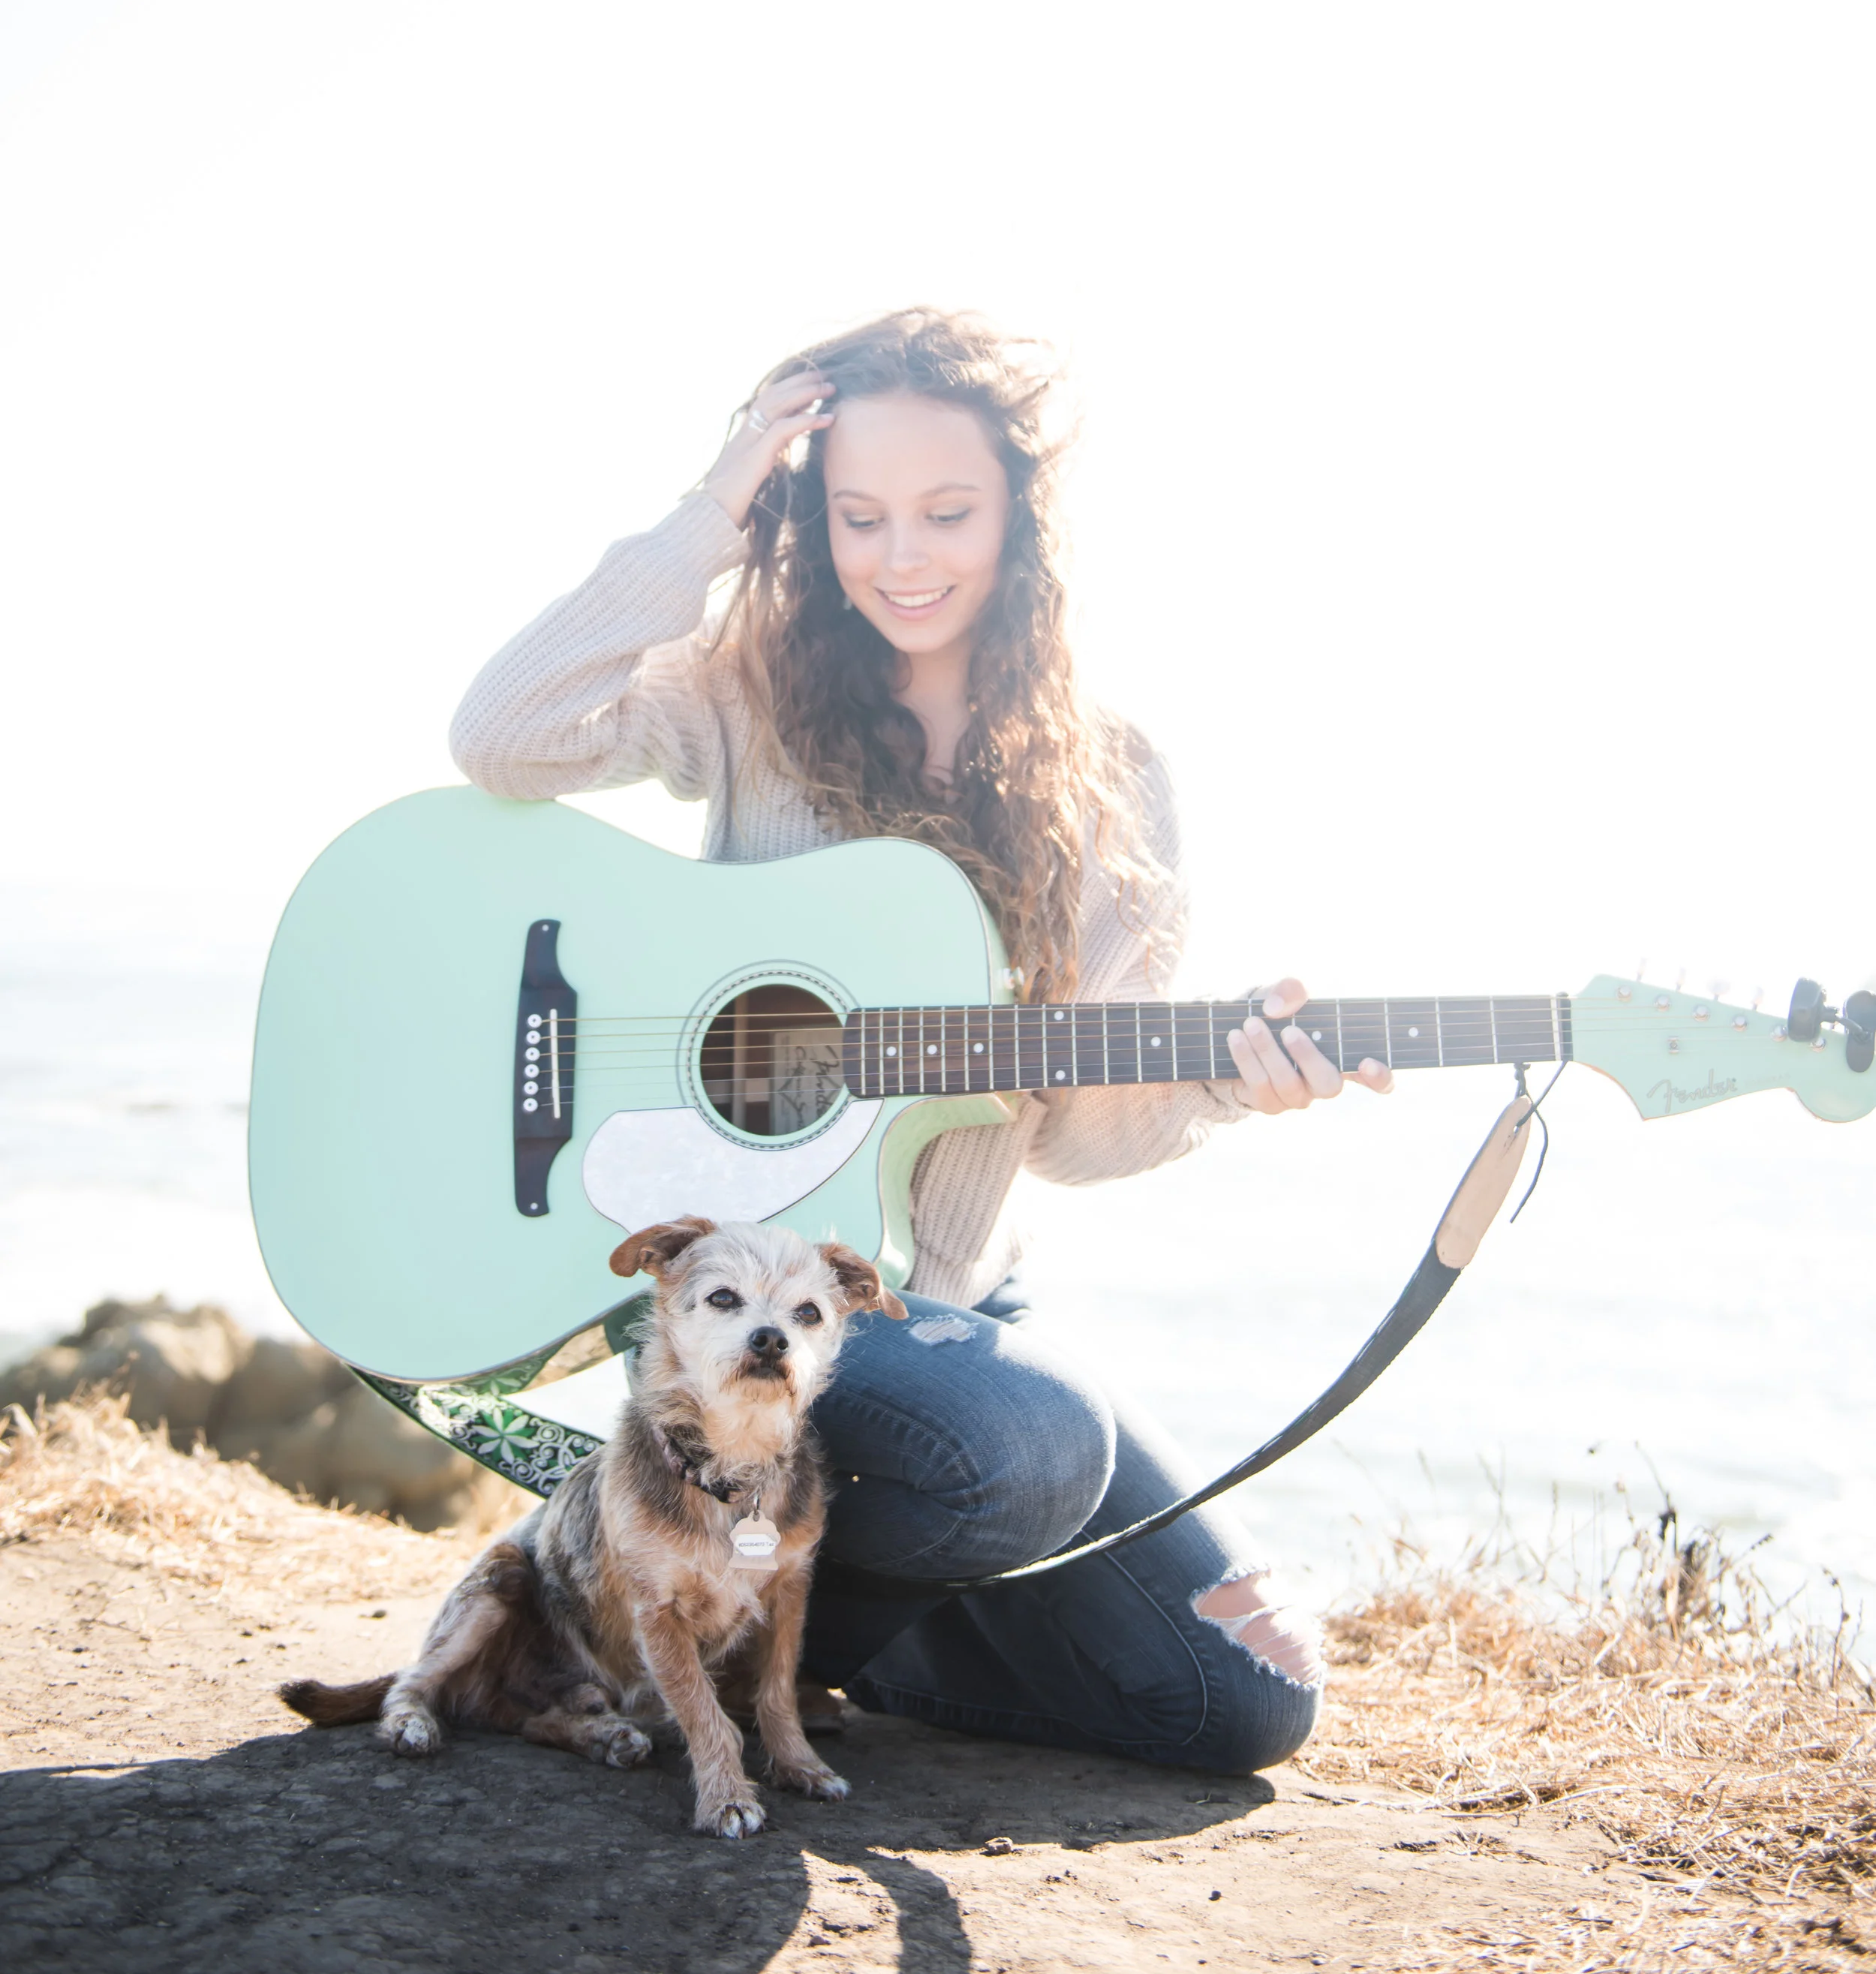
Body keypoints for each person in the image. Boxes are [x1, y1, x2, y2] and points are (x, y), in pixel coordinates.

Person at [449, 308, 1393, 1774]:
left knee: (1243, 1697)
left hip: (939, 1312)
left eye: (947, 511)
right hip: (745, 1317)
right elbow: (506, 730)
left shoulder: (1112, 774)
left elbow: (1072, 1133)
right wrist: (710, 509)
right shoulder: (750, 687)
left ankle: (833, 1626)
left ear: (1021, 515)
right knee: (1026, 1446)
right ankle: (632, 1584)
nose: (902, 555)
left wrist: (1218, 1082)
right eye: (856, 515)